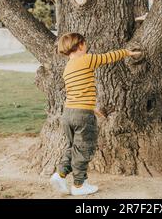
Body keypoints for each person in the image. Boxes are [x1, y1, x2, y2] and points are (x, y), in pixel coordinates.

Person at [50, 32, 141, 196]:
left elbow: (77, 92)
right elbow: (108, 57)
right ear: (80, 46)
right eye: (85, 43)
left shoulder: (67, 68)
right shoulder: (86, 59)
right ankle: (79, 185)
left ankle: (60, 174)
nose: (87, 46)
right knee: (84, 150)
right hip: (82, 115)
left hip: (69, 113)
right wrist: (127, 52)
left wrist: (93, 108)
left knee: (73, 147)